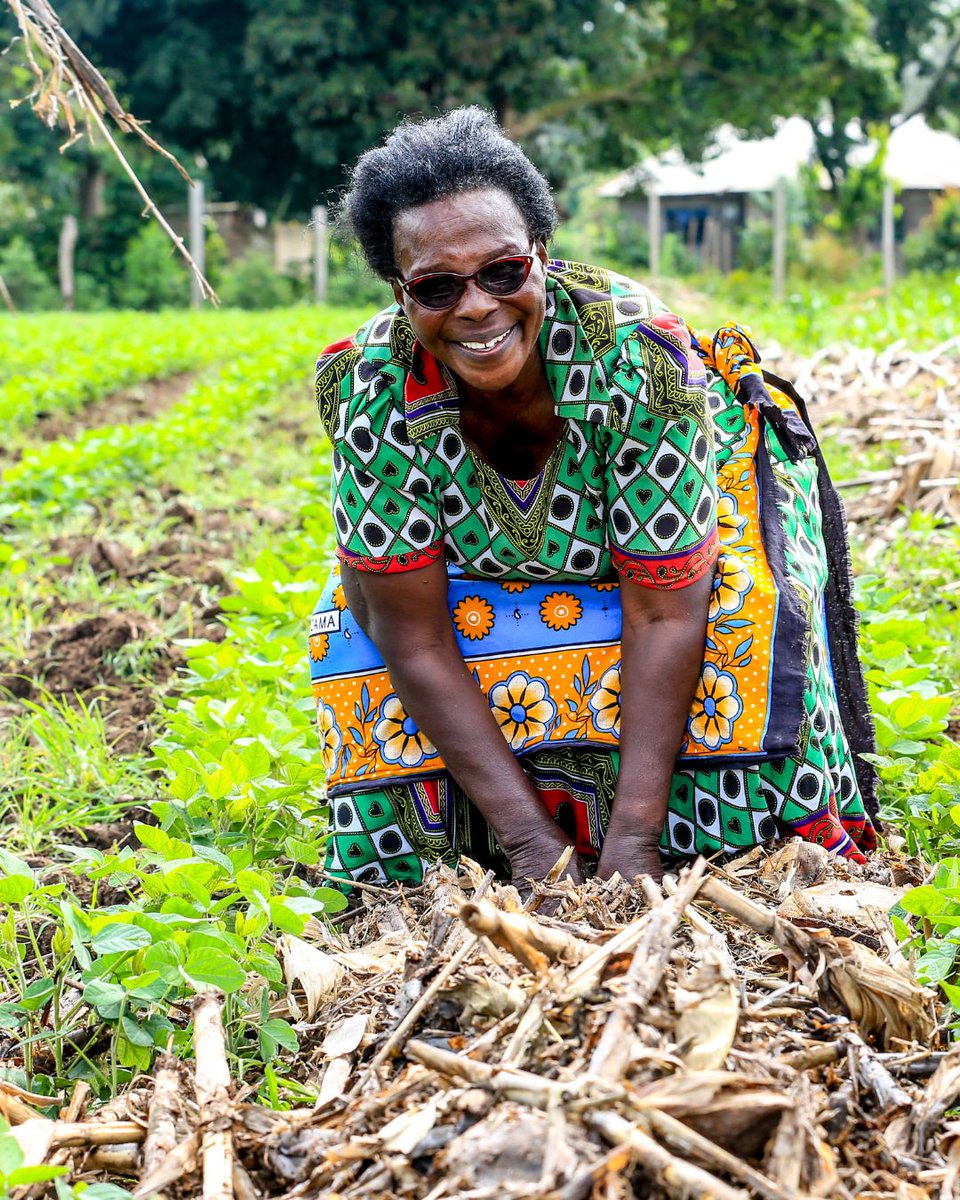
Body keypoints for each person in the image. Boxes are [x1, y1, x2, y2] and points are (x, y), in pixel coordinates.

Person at [308, 107, 877, 890]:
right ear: (398, 293)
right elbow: (412, 635)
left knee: (745, 614)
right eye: (437, 286)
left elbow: (664, 609)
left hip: (673, 558)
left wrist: (635, 845)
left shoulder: (641, 359)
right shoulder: (370, 385)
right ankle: (439, 863)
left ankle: (727, 850)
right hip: (484, 574)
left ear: (542, 256)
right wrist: (533, 848)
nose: (476, 307)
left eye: (504, 271)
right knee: (351, 637)